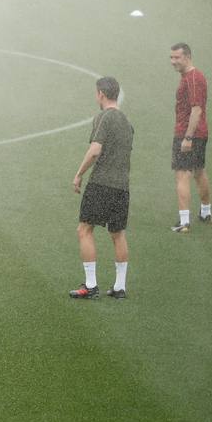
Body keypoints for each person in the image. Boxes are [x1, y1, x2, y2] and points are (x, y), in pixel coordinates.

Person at [70, 76, 134, 299]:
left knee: (84, 230)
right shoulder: (126, 122)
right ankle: (120, 287)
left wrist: (79, 174)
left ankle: (90, 285)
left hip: (101, 184)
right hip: (122, 187)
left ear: (101, 94)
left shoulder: (104, 117)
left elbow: (96, 150)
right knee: (117, 234)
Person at [169, 42, 212, 232]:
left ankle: (184, 222)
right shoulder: (191, 76)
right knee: (199, 171)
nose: (173, 61)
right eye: (171, 57)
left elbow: (196, 109)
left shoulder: (193, 78)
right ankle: (205, 212)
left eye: (177, 57)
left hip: (188, 133)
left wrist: (187, 137)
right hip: (199, 133)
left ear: (187, 56)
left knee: (182, 174)